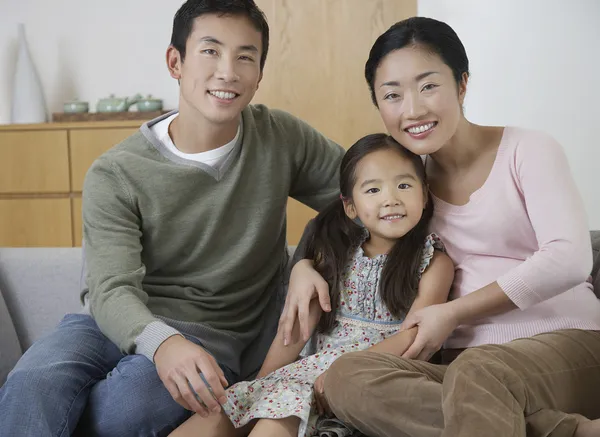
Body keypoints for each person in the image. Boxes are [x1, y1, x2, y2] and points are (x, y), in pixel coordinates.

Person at [0, 1, 345, 435]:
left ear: (259, 75)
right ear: (175, 62)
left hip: (217, 333)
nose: (227, 72)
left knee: (131, 406)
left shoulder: (281, 138)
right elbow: (109, 289)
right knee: (30, 384)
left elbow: (368, 194)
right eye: (210, 51)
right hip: (113, 324)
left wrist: (306, 262)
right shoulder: (116, 172)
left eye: (245, 56)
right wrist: (162, 343)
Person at [281, 16, 600, 437]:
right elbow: (342, 221)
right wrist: (302, 266)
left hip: (565, 345)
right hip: (455, 362)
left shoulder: (528, 149)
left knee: (479, 372)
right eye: (392, 95)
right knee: (347, 377)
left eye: (428, 86)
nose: (412, 110)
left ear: (462, 84)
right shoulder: (405, 188)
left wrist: (452, 313)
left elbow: (570, 259)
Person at [169, 133, 454, 437]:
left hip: (367, 376)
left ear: (424, 195)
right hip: (306, 373)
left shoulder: (433, 261)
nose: (391, 198)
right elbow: (298, 325)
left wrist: (345, 374)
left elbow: (416, 334)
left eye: (404, 185)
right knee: (221, 413)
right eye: (373, 189)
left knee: (274, 420)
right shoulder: (337, 253)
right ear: (351, 207)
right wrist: (261, 383)